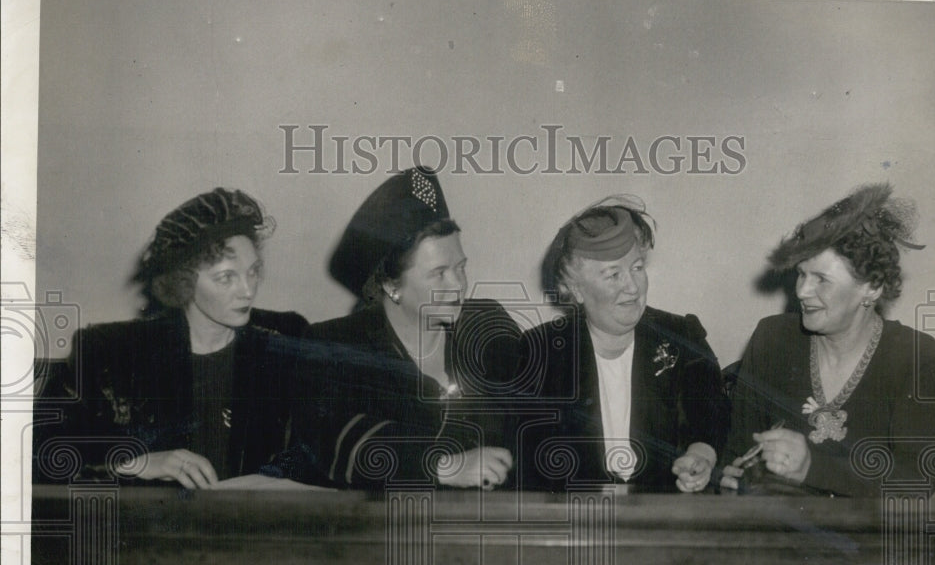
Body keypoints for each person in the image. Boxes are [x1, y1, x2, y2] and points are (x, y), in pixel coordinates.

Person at [34, 188, 306, 488]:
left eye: (253, 271)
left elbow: (315, 450)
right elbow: (40, 454)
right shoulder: (108, 351)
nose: (248, 290)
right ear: (183, 281)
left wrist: (279, 475)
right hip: (153, 531)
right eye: (226, 277)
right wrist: (136, 462)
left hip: (259, 530)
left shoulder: (285, 341)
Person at [286, 166, 520, 489]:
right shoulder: (334, 344)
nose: (458, 285)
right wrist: (443, 465)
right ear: (391, 286)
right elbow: (329, 439)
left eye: (461, 267)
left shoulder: (488, 324)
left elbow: (539, 415)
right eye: (438, 273)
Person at [720, 183, 935, 496]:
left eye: (821, 279)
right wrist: (732, 473)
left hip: (870, 537)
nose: (801, 290)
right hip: (777, 530)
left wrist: (812, 468)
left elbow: (917, 481)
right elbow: (737, 448)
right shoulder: (772, 339)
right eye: (801, 273)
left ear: (871, 286)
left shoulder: (917, 357)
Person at [514, 197, 729, 493]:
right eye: (614, 274)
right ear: (575, 289)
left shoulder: (682, 336)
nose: (632, 286)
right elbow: (528, 460)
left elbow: (713, 416)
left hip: (667, 515)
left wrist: (701, 456)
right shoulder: (540, 351)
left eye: (637, 268)